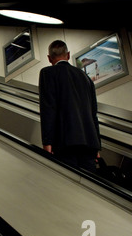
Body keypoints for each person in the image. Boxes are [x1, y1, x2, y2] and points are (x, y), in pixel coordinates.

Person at [38, 40, 101, 173]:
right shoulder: (85, 77)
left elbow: (48, 109)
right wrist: (96, 146)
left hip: (65, 143)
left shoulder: (47, 73)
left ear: (49, 58)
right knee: (90, 187)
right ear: (68, 55)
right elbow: (93, 113)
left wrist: (47, 143)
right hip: (89, 144)